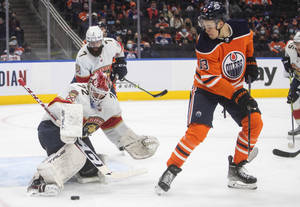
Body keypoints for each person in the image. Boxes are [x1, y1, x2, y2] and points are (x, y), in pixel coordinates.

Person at [155, 1, 263, 194]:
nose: (206, 29)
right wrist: (239, 95)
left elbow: (248, 44)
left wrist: (251, 62)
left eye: (210, 26)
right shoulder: (204, 43)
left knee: (254, 122)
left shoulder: (242, 28)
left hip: (233, 86)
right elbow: (211, 80)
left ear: (221, 22)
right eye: (204, 25)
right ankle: (171, 169)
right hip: (207, 89)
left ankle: (236, 168)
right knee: (198, 131)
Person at [27, 71, 159, 196]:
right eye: (95, 93)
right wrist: (69, 125)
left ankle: (72, 165)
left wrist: (133, 142)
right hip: (52, 129)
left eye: (102, 94)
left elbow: (115, 127)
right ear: (89, 86)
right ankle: (40, 181)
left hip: (77, 136)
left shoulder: (110, 103)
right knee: (75, 156)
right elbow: (59, 106)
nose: (98, 97)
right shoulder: (75, 89)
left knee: (90, 171)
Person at [72, 25, 127, 95]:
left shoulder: (111, 44)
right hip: (84, 83)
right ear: (87, 42)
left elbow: (120, 49)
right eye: (92, 43)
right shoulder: (82, 57)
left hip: (104, 81)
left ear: (102, 40)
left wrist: (121, 64)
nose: (95, 46)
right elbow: (83, 85)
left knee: (112, 105)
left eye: (98, 42)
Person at [282, 31, 300, 135]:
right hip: (298, 78)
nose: (298, 46)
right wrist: (286, 62)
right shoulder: (290, 46)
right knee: (292, 98)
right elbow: (286, 54)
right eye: (297, 43)